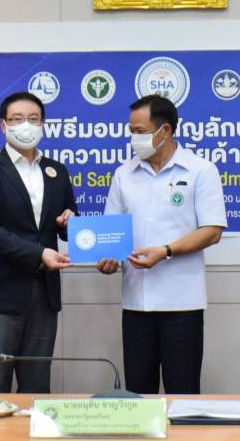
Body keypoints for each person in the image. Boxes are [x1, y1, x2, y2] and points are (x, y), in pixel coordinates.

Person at [96, 95, 227, 394]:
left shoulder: (200, 170)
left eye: (140, 131)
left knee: (183, 391)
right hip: (136, 303)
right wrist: (107, 259)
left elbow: (212, 231)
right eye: (131, 131)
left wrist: (165, 251)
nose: (134, 138)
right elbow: (110, 233)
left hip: (182, 304)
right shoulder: (124, 174)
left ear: (165, 130)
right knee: (139, 393)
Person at [0, 92, 77, 393]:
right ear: (3, 125)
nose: (25, 125)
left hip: (44, 293)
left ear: (43, 124)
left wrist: (69, 221)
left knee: (37, 386)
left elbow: (69, 226)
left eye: (33, 119)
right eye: (17, 119)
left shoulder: (56, 171)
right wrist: (39, 253)